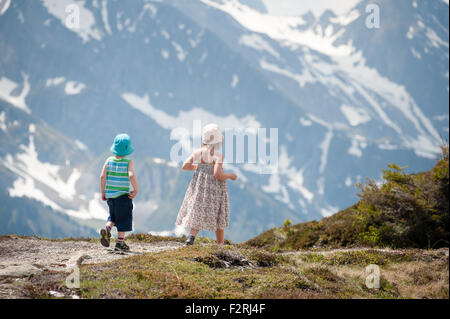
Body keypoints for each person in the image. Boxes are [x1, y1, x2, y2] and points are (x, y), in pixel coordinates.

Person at [176, 123, 237, 245]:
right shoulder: (218, 156)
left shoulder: (198, 152)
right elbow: (217, 174)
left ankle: (191, 237)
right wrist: (230, 176)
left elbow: (185, 166)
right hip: (215, 189)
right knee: (219, 213)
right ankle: (220, 244)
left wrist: (199, 168)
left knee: (198, 209)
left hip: (200, 187)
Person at [99, 133, 138, 251]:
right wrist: (136, 189)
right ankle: (120, 243)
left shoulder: (108, 160)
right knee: (124, 218)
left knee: (113, 217)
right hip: (123, 196)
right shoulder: (128, 162)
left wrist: (103, 192)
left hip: (110, 196)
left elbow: (102, 176)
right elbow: (131, 175)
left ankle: (108, 227)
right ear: (127, 149)